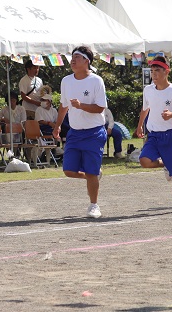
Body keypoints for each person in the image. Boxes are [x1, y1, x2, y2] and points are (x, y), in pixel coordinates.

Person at [53, 46, 107, 219]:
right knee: (68, 170)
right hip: (75, 133)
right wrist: (57, 126)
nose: (73, 60)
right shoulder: (66, 81)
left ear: (87, 61)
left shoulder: (96, 81)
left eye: (77, 57)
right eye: (72, 57)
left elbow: (100, 108)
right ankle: (94, 176)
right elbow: (63, 106)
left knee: (91, 172)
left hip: (94, 133)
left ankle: (94, 205)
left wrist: (81, 105)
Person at [136, 56, 172, 213]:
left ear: (167, 72)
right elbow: (145, 109)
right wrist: (140, 126)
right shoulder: (148, 90)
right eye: (152, 71)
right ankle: (165, 164)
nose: (154, 74)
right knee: (144, 161)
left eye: (157, 70)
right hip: (154, 134)